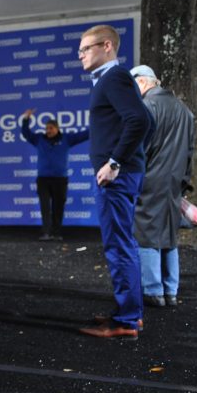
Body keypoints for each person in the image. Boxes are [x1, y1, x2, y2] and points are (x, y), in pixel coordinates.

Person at [76, 24, 151, 339]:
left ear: (107, 46)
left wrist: (116, 162)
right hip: (123, 174)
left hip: (117, 177)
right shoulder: (113, 80)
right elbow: (147, 120)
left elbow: (141, 120)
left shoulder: (114, 77)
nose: (80, 55)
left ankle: (127, 320)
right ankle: (130, 313)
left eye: (86, 49)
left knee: (119, 246)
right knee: (123, 244)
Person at [130, 64, 195, 308]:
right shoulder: (184, 110)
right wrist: (184, 181)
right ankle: (171, 291)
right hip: (174, 182)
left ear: (142, 82)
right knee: (169, 234)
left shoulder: (147, 107)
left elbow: (140, 149)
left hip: (149, 180)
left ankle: (152, 290)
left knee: (145, 233)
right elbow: (190, 150)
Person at [20, 109, 89, 241]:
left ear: (57, 128)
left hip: (60, 180)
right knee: (45, 207)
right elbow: (26, 133)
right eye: (46, 128)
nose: (48, 131)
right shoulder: (39, 139)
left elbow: (85, 134)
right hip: (43, 180)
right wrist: (26, 119)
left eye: (51, 128)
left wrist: (98, 122)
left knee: (58, 207)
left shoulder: (67, 139)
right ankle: (46, 232)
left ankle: (56, 233)